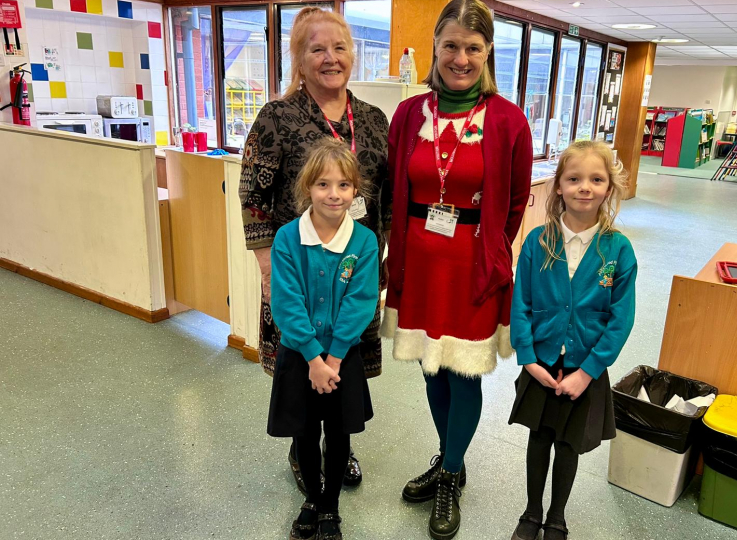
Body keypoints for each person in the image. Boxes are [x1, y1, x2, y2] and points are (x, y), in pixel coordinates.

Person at [380, 0, 532, 538]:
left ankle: (449, 473)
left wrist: (490, 250)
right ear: (436, 48)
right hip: (417, 262)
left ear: (487, 52)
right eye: (451, 46)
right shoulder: (408, 115)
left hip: (471, 264)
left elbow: (515, 201)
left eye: (472, 48)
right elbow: (392, 188)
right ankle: (454, 457)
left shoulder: (509, 119)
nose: (460, 58)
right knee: (431, 365)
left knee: (464, 370)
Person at [239, 6, 390, 491]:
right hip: (296, 271)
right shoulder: (278, 117)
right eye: (317, 49)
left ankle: (339, 446)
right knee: (304, 363)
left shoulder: (372, 120)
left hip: (354, 266)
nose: (331, 58)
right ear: (299, 61)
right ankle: (303, 449)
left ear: (353, 55)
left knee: (343, 363)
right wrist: (266, 267)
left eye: (340, 47)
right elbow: (253, 194)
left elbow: (382, 198)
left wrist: (381, 264)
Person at [508, 140, 637, 540]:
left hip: (585, 366)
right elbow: (521, 302)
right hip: (541, 360)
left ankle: (557, 516)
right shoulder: (537, 242)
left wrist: (589, 372)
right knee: (539, 436)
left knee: (567, 444)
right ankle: (531, 512)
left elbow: (621, 318)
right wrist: (527, 357)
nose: (585, 187)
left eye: (596, 179)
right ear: (558, 186)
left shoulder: (618, 249)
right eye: (574, 178)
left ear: (609, 187)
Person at [268, 138, 378, 540]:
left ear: (355, 190)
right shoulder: (287, 238)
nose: (334, 194)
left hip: (341, 357)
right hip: (300, 356)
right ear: (307, 188)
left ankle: (331, 505)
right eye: (323, 185)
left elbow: (361, 302)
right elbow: (286, 301)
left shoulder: (364, 241)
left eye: (344, 185)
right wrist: (314, 358)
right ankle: (311, 499)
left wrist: (332, 359)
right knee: (304, 432)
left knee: (339, 433)